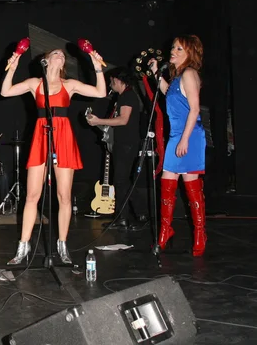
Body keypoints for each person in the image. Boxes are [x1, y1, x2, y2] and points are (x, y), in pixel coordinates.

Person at [1, 48, 106, 265]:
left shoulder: (70, 84)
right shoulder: (34, 83)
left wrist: (97, 68)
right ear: (45, 60)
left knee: (64, 196)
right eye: (56, 53)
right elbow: (5, 91)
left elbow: (101, 93)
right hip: (41, 136)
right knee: (32, 196)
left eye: (63, 55)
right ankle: (23, 246)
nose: (60, 55)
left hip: (64, 138)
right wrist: (11, 69)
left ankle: (62, 244)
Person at [149, 35, 206, 256]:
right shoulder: (177, 77)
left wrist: (184, 140)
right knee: (167, 186)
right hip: (176, 135)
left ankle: (200, 233)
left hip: (189, 135)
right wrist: (155, 72)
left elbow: (194, 109)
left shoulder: (190, 74)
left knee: (191, 188)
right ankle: (166, 230)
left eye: (179, 48)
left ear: (189, 53)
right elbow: (166, 92)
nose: (172, 50)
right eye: (173, 47)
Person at [87, 67, 146, 230]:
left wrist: (99, 121)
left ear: (118, 80)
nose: (110, 85)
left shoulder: (127, 96)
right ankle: (136, 214)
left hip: (126, 144)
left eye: (111, 81)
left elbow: (123, 120)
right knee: (122, 181)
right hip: (123, 143)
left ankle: (127, 216)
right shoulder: (124, 96)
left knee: (121, 181)